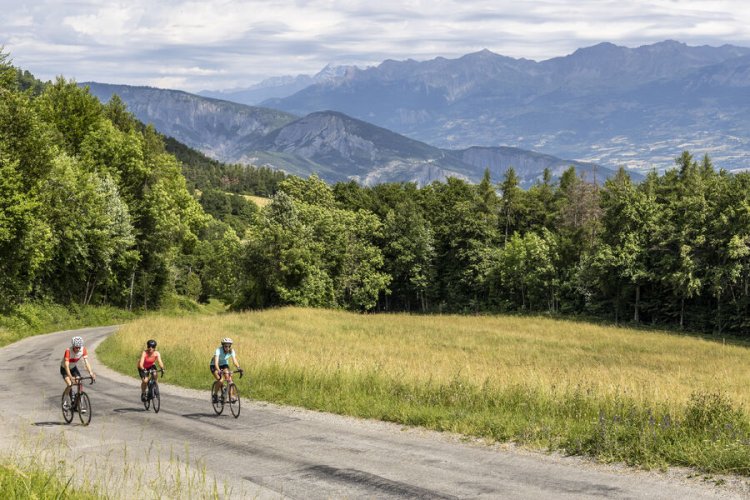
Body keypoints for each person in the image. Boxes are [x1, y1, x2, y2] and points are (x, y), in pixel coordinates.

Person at [60, 336, 96, 407]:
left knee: (79, 382)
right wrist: (70, 377)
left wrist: (91, 373)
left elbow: (86, 362)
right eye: (76, 347)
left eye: (79, 347)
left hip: (73, 368)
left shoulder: (83, 350)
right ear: (73, 346)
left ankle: (79, 402)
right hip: (64, 369)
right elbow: (66, 366)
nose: (78, 349)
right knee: (70, 384)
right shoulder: (68, 351)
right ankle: (65, 398)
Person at [210, 337, 242, 401]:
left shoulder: (231, 351)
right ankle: (215, 395)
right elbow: (216, 363)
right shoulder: (218, 350)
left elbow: (234, 361)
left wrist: (239, 368)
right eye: (226, 346)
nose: (227, 348)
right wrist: (219, 371)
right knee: (221, 380)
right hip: (214, 365)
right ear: (223, 346)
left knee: (229, 379)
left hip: (224, 364)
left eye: (229, 346)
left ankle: (231, 395)